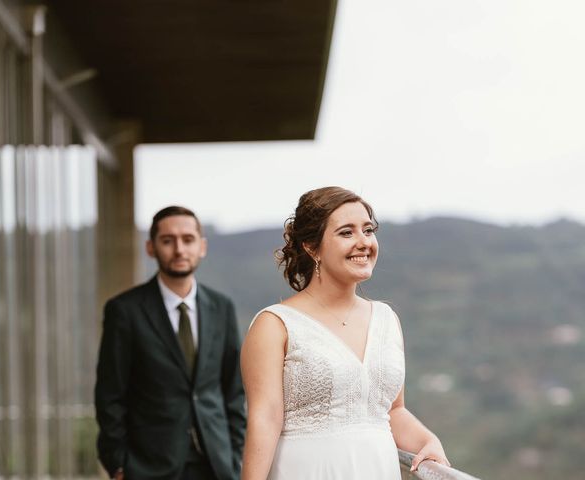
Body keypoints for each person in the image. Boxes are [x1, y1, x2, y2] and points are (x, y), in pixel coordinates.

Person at [240, 187, 449, 480]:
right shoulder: (275, 325)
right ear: (312, 247)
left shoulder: (386, 320)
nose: (363, 242)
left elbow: (392, 411)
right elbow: (265, 419)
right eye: (346, 233)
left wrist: (428, 441)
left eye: (368, 230)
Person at [95, 206, 246, 480]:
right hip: (148, 466)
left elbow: (233, 390)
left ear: (202, 246)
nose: (179, 249)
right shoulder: (124, 311)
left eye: (188, 239)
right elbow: (110, 395)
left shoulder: (222, 308)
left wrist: (236, 456)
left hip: (217, 464)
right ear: (151, 247)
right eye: (168, 240)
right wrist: (118, 464)